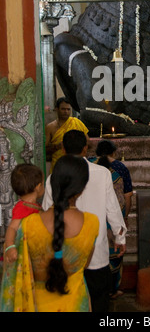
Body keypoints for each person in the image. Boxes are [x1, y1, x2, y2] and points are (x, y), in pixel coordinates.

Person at [42, 130, 127, 313]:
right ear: (85, 149)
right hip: (96, 256)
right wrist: (120, 238)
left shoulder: (53, 179)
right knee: (99, 303)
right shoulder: (102, 173)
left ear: (63, 149)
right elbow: (113, 209)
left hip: (65, 258)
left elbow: (46, 215)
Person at [0, 155, 99, 312]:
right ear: (81, 190)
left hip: (34, 304)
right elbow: (85, 264)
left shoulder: (28, 224)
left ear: (52, 183)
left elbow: (13, 265)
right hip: (75, 303)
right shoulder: (92, 223)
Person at [96, 154, 126, 299]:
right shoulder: (114, 176)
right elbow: (119, 204)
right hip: (110, 223)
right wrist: (120, 230)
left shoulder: (89, 175)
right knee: (113, 257)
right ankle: (112, 290)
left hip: (95, 223)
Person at [4, 164, 44, 264]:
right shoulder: (22, 207)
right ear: (38, 187)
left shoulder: (35, 206)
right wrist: (10, 246)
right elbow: (12, 228)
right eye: (43, 184)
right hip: (26, 254)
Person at [45, 97, 90, 171]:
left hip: (77, 164)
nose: (66, 111)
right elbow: (44, 150)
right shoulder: (50, 127)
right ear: (56, 109)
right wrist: (57, 147)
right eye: (63, 109)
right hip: (58, 165)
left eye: (68, 109)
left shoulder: (77, 122)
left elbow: (88, 142)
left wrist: (75, 144)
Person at [95, 140, 133, 225]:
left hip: (96, 211)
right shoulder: (121, 167)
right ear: (113, 152)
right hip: (117, 212)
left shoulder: (91, 165)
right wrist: (125, 217)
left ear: (97, 152)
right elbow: (128, 195)